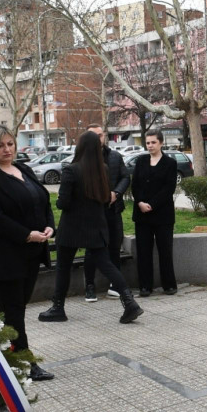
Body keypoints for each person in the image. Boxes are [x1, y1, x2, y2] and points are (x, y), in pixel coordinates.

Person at [0, 125, 56, 381]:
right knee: (13, 311)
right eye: (0, 146)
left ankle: (8, 355)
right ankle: (25, 364)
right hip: (4, 256)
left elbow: (43, 201)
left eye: (10, 144)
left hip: (31, 253)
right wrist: (26, 234)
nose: (7, 149)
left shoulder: (24, 169)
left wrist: (49, 225)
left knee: (17, 309)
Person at [38, 132, 143, 323]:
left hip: (71, 227)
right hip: (96, 225)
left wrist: (62, 201)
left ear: (80, 147)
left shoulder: (71, 170)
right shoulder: (103, 169)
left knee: (63, 266)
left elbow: (63, 203)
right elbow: (104, 198)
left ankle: (58, 307)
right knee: (107, 265)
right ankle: (129, 302)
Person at [83, 124, 130, 302]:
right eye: (94, 136)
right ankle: (89, 286)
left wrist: (116, 193)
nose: (98, 139)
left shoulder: (115, 156)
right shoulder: (82, 159)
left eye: (100, 135)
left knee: (114, 247)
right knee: (91, 250)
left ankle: (115, 285)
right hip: (92, 213)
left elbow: (125, 177)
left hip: (113, 210)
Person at [132, 130, 178, 297]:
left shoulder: (170, 163)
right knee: (143, 251)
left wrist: (152, 204)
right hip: (142, 214)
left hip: (162, 214)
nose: (150, 145)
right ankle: (145, 286)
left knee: (165, 251)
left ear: (161, 143)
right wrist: (140, 202)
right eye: (148, 143)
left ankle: (169, 285)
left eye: (153, 142)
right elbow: (135, 184)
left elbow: (169, 188)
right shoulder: (141, 161)